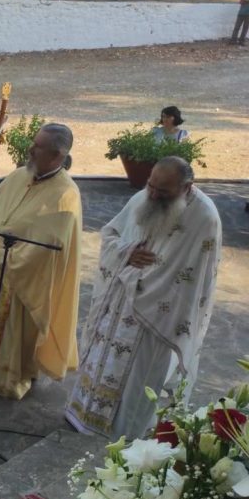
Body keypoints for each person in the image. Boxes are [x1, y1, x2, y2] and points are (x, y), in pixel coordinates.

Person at [66, 157, 221, 440]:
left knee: (139, 379)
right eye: (151, 185)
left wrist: (134, 275)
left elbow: (190, 279)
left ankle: (124, 436)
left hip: (157, 316)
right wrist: (126, 254)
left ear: (187, 187)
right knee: (104, 360)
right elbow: (111, 232)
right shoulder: (144, 196)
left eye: (163, 192)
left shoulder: (204, 219)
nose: (152, 195)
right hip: (119, 302)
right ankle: (83, 415)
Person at [0, 124, 82, 399]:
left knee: (9, 334)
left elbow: (47, 250)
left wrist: (0, 254)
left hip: (20, 283)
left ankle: (4, 380)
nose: (30, 150)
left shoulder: (65, 195)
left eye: (38, 147)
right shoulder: (17, 176)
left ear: (58, 156)